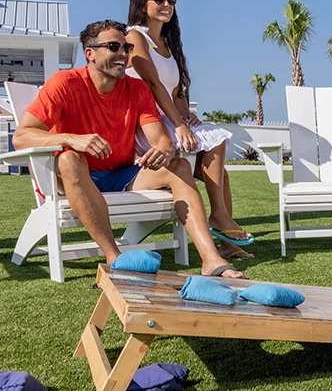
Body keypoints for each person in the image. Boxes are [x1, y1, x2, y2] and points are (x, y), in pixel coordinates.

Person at [12, 19, 247, 279]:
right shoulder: (65, 83)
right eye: (114, 47)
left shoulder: (137, 89)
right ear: (89, 53)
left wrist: (165, 148)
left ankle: (211, 259)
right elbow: (21, 136)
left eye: (127, 48)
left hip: (122, 173)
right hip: (74, 176)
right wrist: (72, 139)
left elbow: (160, 139)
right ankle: (115, 257)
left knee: (179, 166)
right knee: (69, 159)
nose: (123, 54)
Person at [125, 0, 254, 261]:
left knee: (219, 171)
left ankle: (227, 242)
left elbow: (173, 91)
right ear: (141, 4)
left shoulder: (167, 44)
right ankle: (219, 218)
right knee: (217, 140)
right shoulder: (135, 36)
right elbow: (154, 85)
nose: (166, 4)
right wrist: (179, 124)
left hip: (168, 117)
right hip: (147, 124)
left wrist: (185, 114)